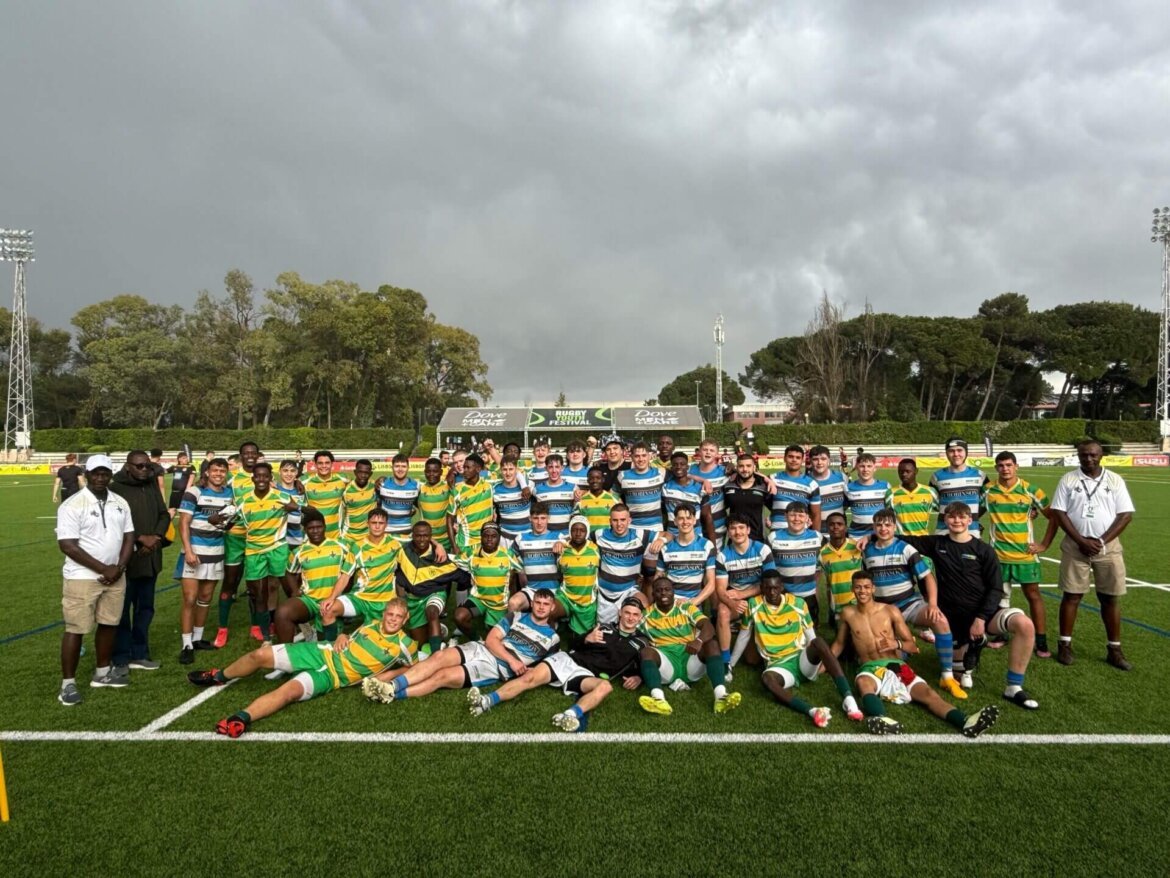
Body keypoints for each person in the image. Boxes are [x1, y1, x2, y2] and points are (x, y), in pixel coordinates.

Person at [189, 598, 417, 737]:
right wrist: (343, 635)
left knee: (288, 692)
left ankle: (240, 718)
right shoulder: (372, 624)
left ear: (405, 620)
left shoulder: (405, 645)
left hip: (332, 675)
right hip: (321, 651)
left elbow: (413, 669)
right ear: (384, 614)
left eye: (398, 617)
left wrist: (388, 675)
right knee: (258, 655)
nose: (393, 619)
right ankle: (219, 675)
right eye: (390, 614)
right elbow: (352, 637)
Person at [832, 571, 1001, 738]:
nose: (863, 591)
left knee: (928, 694)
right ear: (852, 589)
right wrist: (824, 665)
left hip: (896, 665)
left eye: (867, 587)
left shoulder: (890, 611)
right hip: (869, 668)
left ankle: (965, 722)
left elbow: (912, 647)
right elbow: (839, 643)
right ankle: (880, 719)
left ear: (873, 589)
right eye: (858, 587)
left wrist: (895, 644)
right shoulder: (848, 614)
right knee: (863, 683)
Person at [903, 503, 1039, 709]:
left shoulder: (984, 550)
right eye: (951, 517)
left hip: (983, 615)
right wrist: (871, 537)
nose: (956, 521)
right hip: (953, 619)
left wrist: (981, 619)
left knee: (1025, 625)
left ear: (970, 520)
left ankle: (1014, 687)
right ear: (945, 520)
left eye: (961, 517)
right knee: (958, 676)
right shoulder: (937, 543)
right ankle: (973, 646)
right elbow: (903, 539)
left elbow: (995, 589)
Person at [467, 596, 650, 732]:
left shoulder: (642, 641)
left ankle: (569, 715)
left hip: (586, 675)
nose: (630, 617)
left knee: (605, 687)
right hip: (568, 660)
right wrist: (587, 638)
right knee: (529, 678)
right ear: (620, 613)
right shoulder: (604, 627)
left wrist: (639, 676)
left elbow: (641, 662)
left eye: (635, 615)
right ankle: (486, 700)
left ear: (640, 617)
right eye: (627, 612)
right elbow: (572, 644)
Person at [362, 589, 561, 703]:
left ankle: (392, 695)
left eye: (546, 604)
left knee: (442, 676)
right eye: (538, 602)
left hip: (494, 668)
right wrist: (513, 660)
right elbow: (492, 639)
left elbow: (546, 668)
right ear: (532, 604)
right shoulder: (516, 616)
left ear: (552, 607)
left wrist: (526, 669)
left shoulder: (553, 639)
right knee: (438, 658)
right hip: (484, 648)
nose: (541, 607)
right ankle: (392, 686)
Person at [54, 454, 136, 705]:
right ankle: (68, 684)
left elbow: (129, 537)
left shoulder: (120, 501)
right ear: (87, 474)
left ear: (111, 475)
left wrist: (119, 567)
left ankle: (102, 672)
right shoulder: (72, 504)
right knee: (76, 629)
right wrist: (104, 568)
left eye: (105, 473)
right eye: (96, 473)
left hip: (115, 576)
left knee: (109, 623)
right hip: (82, 577)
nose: (101, 477)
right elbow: (68, 545)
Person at [1050, 439, 1136, 670]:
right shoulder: (1068, 479)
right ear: (1078, 456)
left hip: (1107, 548)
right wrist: (1081, 540)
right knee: (1072, 595)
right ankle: (1065, 645)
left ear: (1101, 456)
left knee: (1110, 598)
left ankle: (1114, 650)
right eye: (1083, 455)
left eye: (1092, 455)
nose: (1088, 459)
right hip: (1074, 547)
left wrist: (1099, 541)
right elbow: (1058, 511)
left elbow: (1125, 515)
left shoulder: (1114, 480)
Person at [862, 507, 964, 699]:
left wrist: (932, 605)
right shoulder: (867, 552)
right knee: (886, 659)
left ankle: (947, 676)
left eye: (888, 525)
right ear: (874, 527)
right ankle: (907, 646)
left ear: (895, 527)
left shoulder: (905, 548)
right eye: (879, 525)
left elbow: (928, 578)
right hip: (884, 610)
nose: (883, 528)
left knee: (940, 620)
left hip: (909, 604)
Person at [746, 572, 864, 728]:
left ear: (781, 587)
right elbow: (744, 635)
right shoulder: (754, 605)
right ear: (762, 589)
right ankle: (812, 711)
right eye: (768, 588)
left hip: (801, 660)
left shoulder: (798, 603)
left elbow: (811, 637)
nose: (772, 592)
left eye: (776, 588)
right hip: (779, 666)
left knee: (818, 642)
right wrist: (730, 665)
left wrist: (820, 657)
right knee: (767, 679)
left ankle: (849, 699)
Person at [982, 450, 1057, 658]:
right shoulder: (988, 491)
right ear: (996, 468)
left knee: (1033, 595)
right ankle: (1000, 634)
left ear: (1016, 466)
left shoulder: (1030, 490)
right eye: (1001, 465)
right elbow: (973, 514)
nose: (1005, 469)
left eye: (1009, 465)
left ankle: (1041, 641)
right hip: (998, 555)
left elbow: (1054, 516)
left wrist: (1044, 544)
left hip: (1025, 555)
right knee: (1000, 596)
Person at [637, 577, 740, 716]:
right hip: (666, 665)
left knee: (712, 644)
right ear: (653, 594)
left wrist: (698, 640)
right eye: (659, 591)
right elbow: (630, 634)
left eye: (667, 590)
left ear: (673, 592)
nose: (663, 593)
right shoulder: (646, 616)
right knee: (646, 652)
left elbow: (708, 627)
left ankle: (721, 696)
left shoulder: (685, 607)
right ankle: (658, 699)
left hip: (690, 658)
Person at [109, 450, 172, 673]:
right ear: (128, 467)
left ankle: (140, 653)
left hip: (151, 557)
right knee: (122, 610)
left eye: (147, 466)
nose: (144, 470)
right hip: (126, 559)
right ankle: (120, 657)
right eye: (139, 466)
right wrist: (138, 539)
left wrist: (155, 537)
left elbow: (164, 515)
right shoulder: (115, 488)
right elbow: (113, 523)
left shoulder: (151, 484)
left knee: (145, 609)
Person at [176, 457, 234, 664]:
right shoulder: (194, 492)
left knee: (206, 597)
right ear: (207, 472)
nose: (219, 474)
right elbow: (184, 523)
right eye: (215, 470)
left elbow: (227, 522)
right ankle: (186, 644)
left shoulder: (229, 494)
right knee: (190, 598)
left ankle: (198, 639)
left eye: (222, 471)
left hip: (216, 552)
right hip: (194, 554)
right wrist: (188, 551)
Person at [237, 461, 301, 643]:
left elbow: (304, 509)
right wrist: (215, 519)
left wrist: (296, 506)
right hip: (253, 552)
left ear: (270, 478)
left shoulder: (281, 496)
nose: (262, 479)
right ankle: (266, 637)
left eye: (265, 476)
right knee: (259, 595)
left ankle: (305, 627)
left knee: (291, 589)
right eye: (258, 476)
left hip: (277, 548)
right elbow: (229, 520)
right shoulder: (244, 501)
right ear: (253, 478)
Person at [273, 507, 354, 643]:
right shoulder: (299, 551)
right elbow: (290, 573)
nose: (315, 531)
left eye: (319, 527)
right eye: (311, 528)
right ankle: (286, 655)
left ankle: (317, 636)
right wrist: (294, 591)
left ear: (325, 527)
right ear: (305, 530)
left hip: (333, 600)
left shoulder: (341, 546)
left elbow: (350, 573)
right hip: (309, 600)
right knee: (282, 613)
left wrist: (344, 594)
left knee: (326, 646)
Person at [714, 513, 775, 678]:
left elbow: (770, 584)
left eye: (741, 527)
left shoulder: (762, 549)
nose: (737, 532)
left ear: (748, 530)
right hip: (736, 600)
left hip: (759, 597)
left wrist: (742, 594)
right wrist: (733, 603)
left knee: (752, 660)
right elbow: (720, 590)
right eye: (733, 528)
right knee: (722, 611)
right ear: (728, 531)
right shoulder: (723, 556)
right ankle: (726, 661)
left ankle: (776, 653)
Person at [215, 441, 261, 648]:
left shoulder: (264, 477)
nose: (250, 455)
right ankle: (222, 629)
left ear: (258, 455)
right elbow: (226, 504)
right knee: (230, 583)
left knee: (254, 585)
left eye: (253, 452)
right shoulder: (233, 481)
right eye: (246, 453)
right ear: (241, 456)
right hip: (235, 537)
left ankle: (256, 626)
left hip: (257, 539)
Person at [393, 521, 463, 655]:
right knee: (420, 646)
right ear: (412, 536)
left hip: (434, 594)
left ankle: (437, 655)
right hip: (413, 600)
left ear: (431, 536)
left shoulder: (441, 557)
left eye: (426, 536)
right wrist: (401, 598)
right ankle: (439, 632)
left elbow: (466, 573)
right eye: (418, 536)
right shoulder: (403, 550)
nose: (422, 539)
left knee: (432, 612)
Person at [593, 503, 661, 624]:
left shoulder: (640, 535)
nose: (619, 524)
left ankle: (643, 638)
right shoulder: (599, 535)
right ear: (610, 521)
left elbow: (669, 534)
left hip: (628, 590)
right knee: (606, 633)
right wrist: (561, 542)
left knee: (644, 605)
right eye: (615, 520)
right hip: (605, 593)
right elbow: (577, 538)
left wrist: (662, 540)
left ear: (629, 520)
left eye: (623, 520)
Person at [454, 522, 520, 637]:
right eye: (486, 536)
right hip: (479, 600)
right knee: (460, 617)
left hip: (498, 604)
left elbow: (521, 571)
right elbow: (453, 560)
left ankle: (490, 628)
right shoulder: (473, 554)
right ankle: (477, 641)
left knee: (491, 636)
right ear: (481, 537)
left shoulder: (508, 555)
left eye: (494, 536)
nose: (489, 539)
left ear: (499, 538)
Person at [508, 501, 565, 613]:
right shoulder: (521, 538)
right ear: (530, 519)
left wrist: (562, 544)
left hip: (554, 590)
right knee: (513, 603)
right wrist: (519, 569)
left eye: (543, 518)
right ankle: (515, 629)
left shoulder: (559, 537)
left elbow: (571, 556)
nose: (539, 522)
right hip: (531, 590)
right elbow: (508, 557)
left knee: (548, 615)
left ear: (548, 518)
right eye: (536, 518)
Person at [655, 503, 716, 606]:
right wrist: (670, 601)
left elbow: (711, 583)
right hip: (670, 604)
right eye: (681, 518)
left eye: (688, 518)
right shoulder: (666, 548)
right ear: (675, 521)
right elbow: (657, 579)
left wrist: (693, 602)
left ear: (694, 520)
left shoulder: (706, 546)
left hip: (694, 604)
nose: (685, 522)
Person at [557, 515, 602, 643]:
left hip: (586, 601)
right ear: (570, 531)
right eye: (574, 530)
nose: (578, 533)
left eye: (582, 530)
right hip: (566, 596)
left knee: (581, 639)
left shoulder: (596, 549)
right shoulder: (562, 549)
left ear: (587, 532)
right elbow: (559, 574)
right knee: (549, 610)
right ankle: (552, 646)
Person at [929, 438, 988, 534]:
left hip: (971, 533)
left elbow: (985, 502)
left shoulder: (980, 476)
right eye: (951, 451)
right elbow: (934, 504)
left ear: (966, 452)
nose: (956, 454)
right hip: (943, 533)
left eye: (959, 450)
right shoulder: (936, 477)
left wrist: (972, 517)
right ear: (947, 453)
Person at [817, 512, 861, 626]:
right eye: (831, 524)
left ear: (845, 527)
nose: (835, 527)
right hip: (837, 606)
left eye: (839, 524)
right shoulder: (822, 553)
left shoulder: (857, 547)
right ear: (827, 527)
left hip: (859, 603)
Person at [447, 453, 494, 557]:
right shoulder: (457, 491)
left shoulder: (489, 485)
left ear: (478, 469)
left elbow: (507, 468)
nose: (465, 470)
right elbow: (449, 519)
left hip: (486, 543)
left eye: (468, 467)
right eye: (464, 467)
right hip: (464, 544)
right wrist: (454, 546)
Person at [770, 444, 822, 534]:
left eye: (798, 458)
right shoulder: (772, 479)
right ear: (784, 458)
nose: (794, 460)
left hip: (801, 534)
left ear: (802, 460)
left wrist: (816, 536)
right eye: (791, 457)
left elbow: (816, 514)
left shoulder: (812, 484)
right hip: (777, 533)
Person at [662, 451, 715, 540]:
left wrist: (713, 545)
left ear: (687, 467)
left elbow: (707, 517)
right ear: (671, 468)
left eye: (682, 464)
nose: (678, 467)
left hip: (695, 538)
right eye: (675, 464)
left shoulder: (700, 488)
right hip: (672, 538)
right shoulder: (665, 488)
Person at [690, 438, 731, 546]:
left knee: (715, 559)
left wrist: (768, 479)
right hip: (694, 526)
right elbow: (678, 474)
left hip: (718, 525)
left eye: (712, 450)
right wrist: (703, 480)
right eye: (705, 449)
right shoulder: (690, 470)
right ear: (699, 452)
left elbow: (748, 474)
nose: (708, 452)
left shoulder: (724, 471)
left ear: (717, 454)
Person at [617, 441, 667, 531]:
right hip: (632, 527)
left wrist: (701, 480)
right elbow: (613, 494)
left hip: (655, 527)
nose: (641, 459)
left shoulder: (661, 473)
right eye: (637, 456)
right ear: (631, 457)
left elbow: (681, 476)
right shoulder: (622, 476)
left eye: (644, 455)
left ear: (649, 456)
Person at [722, 452, 771, 542]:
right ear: (737, 468)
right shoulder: (728, 486)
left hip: (758, 539)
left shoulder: (763, 486)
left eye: (748, 466)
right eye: (741, 466)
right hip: (735, 539)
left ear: (754, 467)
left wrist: (771, 518)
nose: (745, 469)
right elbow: (720, 508)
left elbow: (775, 507)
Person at [884, 458, 938, 537]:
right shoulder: (891, 493)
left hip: (923, 539)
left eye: (907, 471)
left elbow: (939, 511)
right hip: (901, 540)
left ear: (916, 471)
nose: (904, 474)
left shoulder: (930, 492)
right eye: (901, 472)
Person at [303, 450, 348, 540]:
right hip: (312, 537)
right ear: (315, 464)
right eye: (320, 463)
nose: (324, 466)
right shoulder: (304, 481)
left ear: (332, 464)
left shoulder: (343, 480)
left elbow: (358, 485)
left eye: (327, 463)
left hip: (336, 536)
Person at [374, 453, 419, 540]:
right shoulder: (382, 485)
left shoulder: (416, 486)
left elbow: (420, 505)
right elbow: (376, 506)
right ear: (392, 468)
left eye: (403, 466)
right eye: (397, 466)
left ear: (408, 468)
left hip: (406, 531)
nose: (400, 469)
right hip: (386, 532)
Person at [844, 452, 888, 540]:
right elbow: (841, 511)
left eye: (869, 466)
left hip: (878, 535)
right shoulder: (848, 488)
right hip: (856, 536)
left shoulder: (885, 486)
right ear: (856, 468)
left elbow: (891, 512)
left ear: (875, 468)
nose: (865, 469)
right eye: (862, 466)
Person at [809, 445, 846, 535]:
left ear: (829, 460)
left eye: (823, 459)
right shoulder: (806, 481)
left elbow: (850, 499)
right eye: (815, 459)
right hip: (815, 529)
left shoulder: (842, 477)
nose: (819, 462)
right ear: (810, 461)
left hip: (839, 530)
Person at [534, 453, 576, 533]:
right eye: (550, 467)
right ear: (546, 468)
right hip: (547, 536)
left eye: (557, 467)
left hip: (566, 535)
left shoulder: (573, 488)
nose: (554, 470)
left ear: (562, 468)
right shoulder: (537, 489)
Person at [418, 457, 453, 551]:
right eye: (428, 471)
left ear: (441, 472)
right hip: (426, 539)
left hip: (446, 538)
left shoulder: (448, 487)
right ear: (424, 472)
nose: (431, 474)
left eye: (435, 471)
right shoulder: (420, 488)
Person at [492, 456, 531, 540]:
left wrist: (524, 485)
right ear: (500, 471)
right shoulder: (495, 490)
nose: (508, 473)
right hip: (505, 537)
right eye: (505, 469)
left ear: (516, 470)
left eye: (511, 469)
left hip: (526, 536)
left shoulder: (527, 484)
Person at [341, 458, 377, 547]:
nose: (363, 475)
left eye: (366, 473)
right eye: (360, 472)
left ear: (371, 474)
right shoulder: (346, 490)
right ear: (355, 472)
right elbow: (340, 513)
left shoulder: (375, 487)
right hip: (349, 536)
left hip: (368, 535)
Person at [165, 451, 197, 515]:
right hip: (174, 492)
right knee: (171, 510)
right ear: (179, 459)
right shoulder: (174, 467)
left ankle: (185, 524)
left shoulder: (190, 467)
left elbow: (192, 478)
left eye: (186, 458)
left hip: (184, 492)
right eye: (184, 458)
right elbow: (164, 471)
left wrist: (187, 490)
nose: (186, 459)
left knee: (183, 511)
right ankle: (167, 524)